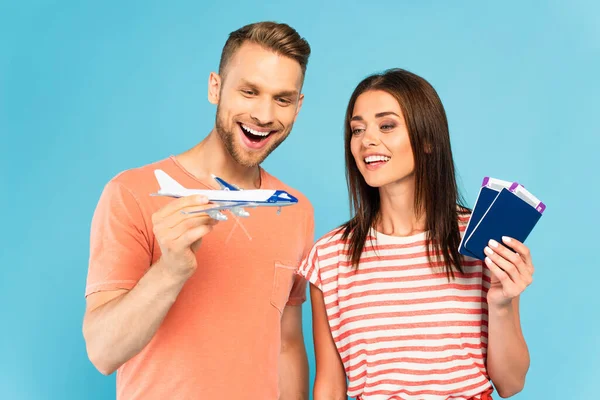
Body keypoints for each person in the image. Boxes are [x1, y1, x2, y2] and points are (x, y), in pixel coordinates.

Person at [82, 21, 314, 400]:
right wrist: (171, 269)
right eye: (249, 91)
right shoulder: (131, 193)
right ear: (215, 87)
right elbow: (102, 352)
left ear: (298, 106)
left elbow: (287, 344)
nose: (264, 114)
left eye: (282, 99)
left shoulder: (297, 211)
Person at [298, 68, 534, 400]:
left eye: (387, 125)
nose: (367, 140)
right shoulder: (330, 256)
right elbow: (330, 385)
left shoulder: (481, 238)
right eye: (357, 129)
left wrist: (501, 303)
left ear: (426, 139)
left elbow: (510, 384)